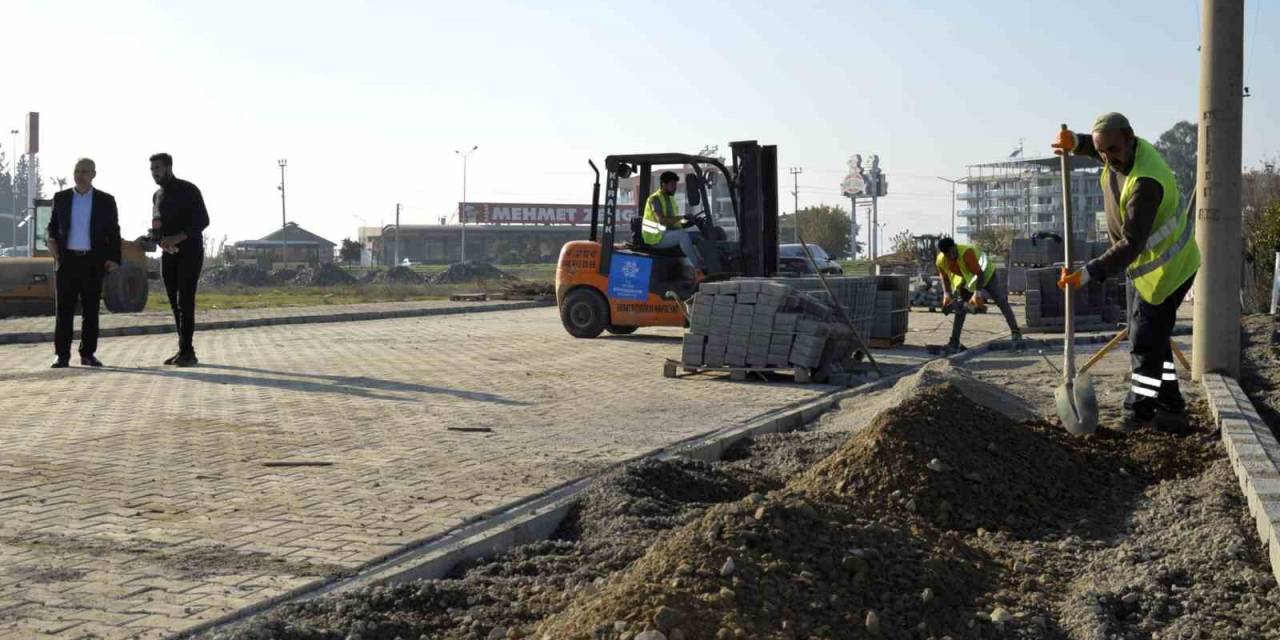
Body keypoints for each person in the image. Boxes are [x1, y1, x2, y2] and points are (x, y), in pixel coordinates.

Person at [1054, 112, 1200, 431]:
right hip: (1145, 270)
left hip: (1167, 271)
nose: (1108, 159)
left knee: (1144, 343)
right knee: (1155, 341)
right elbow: (1100, 148)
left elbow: (1132, 243)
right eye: (1102, 152)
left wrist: (1088, 273)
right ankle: (1172, 407)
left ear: (1129, 138)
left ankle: (1139, 413)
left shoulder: (1145, 182)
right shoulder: (1122, 151)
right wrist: (1077, 143)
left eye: (1113, 151)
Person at [45, 158, 121, 368]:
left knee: (90, 310)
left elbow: (114, 231)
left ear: (94, 174)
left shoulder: (105, 200)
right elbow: (52, 226)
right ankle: (61, 355)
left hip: (92, 262)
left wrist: (114, 258)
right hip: (67, 260)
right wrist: (51, 241)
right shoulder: (61, 198)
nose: (80, 175)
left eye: (85, 171)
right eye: (77, 171)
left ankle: (87, 354)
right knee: (64, 311)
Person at [150, 153, 210, 367]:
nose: (154, 172)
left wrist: (178, 237)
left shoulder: (188, 190)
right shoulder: (157, 196)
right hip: (168, 254)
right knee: (175, 303)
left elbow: (203, 220)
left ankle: (188, 352)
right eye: (152, 169)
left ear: (168, 167)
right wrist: (156, 240)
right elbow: (158, 225)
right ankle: (184, 349)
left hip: (190, 252)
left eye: (157, 168)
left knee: (185, 300)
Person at [934, 236, 1022, 354]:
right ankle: (954, 342)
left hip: (986, 274)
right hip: (968, 279)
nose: (951, 256)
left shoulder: (967, 252)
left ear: (954, 247)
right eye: (947, 255)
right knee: (960, 308)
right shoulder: (941, 260)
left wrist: (977, 294)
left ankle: (1016, 332)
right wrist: (947, 295)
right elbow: (944, 278)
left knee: (1001, 301)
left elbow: (980, 274)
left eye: (952, 253)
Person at [642, 171, 704, 271]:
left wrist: (690, 221)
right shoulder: (654, 199)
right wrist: (682, 217)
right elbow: (661, 220)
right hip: (655, 238)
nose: (675, 187)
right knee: (682, 235)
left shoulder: (670, 200)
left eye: (675, 184)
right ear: (664, 184)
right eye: (672, 184)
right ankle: (699, 269)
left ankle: (705, 263)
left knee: (698, 236)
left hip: (667, 234)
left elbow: (673, 222)